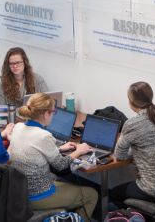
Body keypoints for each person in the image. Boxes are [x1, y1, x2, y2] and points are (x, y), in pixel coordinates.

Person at [8, 93, 98, 221]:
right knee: (91, 194)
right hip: (38, 195)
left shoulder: (18, 127)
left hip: (20, 192)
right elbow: (60, 165)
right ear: (45, 114)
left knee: (63, 182)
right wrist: (79, 150)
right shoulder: (44, 135)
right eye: (53, 112)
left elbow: (34, 150)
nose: (53, 115)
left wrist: (60, 148)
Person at [111, 81, 155, 208]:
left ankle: (134, 217)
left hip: (150, 188)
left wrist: (134, 151)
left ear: (132, 102)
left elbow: (119, 155)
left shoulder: (133, 124)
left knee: (114, 194)